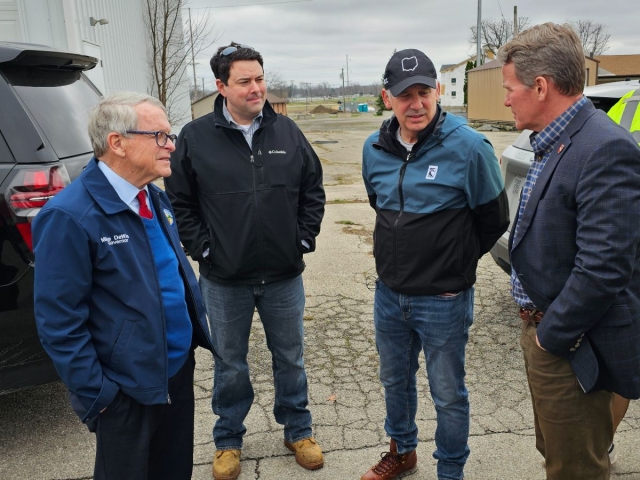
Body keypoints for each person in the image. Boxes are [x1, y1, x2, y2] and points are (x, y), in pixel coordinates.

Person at [32, 92, 214, 480]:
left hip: (175, 371)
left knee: (173, 471)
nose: (172, 146)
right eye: (160, 136)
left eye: (171, 135)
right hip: (124, 390)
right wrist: (101, 398)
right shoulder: (69, 216)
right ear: (117, 143)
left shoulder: (153, 197)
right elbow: (58, 323)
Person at [165, 42, 325, 480]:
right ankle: (228, 439)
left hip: (283, 276)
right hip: (223, 279)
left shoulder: (287, 132)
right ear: (221, 86)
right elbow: (180, 203)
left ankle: (298, 430)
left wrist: (303, 239)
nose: (256, 89)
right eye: (245, 81)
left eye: (260, 78)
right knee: (230, 362)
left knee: (290, 357)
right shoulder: (195, 137)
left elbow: (313, 189)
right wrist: (205, 249)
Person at [360, 48, 509, 480]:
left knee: (447, 393)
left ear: (437, 91)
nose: (416, 103)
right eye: (405, 94)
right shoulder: (374, 148)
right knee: (395, 382)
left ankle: (450, 470)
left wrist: (453, 261)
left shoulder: (470, 148)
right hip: (389, 295)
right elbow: (380, 205)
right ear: (388, 98)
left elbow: (493, 219)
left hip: (443, 298)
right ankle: (403, 451)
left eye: (424, 91)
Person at [501, 23, 640, 480]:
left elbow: (604, 268)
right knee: (556, 451)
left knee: (576, 468)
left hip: (569, 342)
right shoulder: (554, 139)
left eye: (510, 88)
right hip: (544, 332)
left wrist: (550, 338)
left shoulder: (604, 148)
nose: (506, 99)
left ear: (540, 87)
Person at [604, 87, 640, 465]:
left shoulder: (627, 100)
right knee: (623, 364)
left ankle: (603, 442)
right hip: (629, 247)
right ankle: (603, 444)